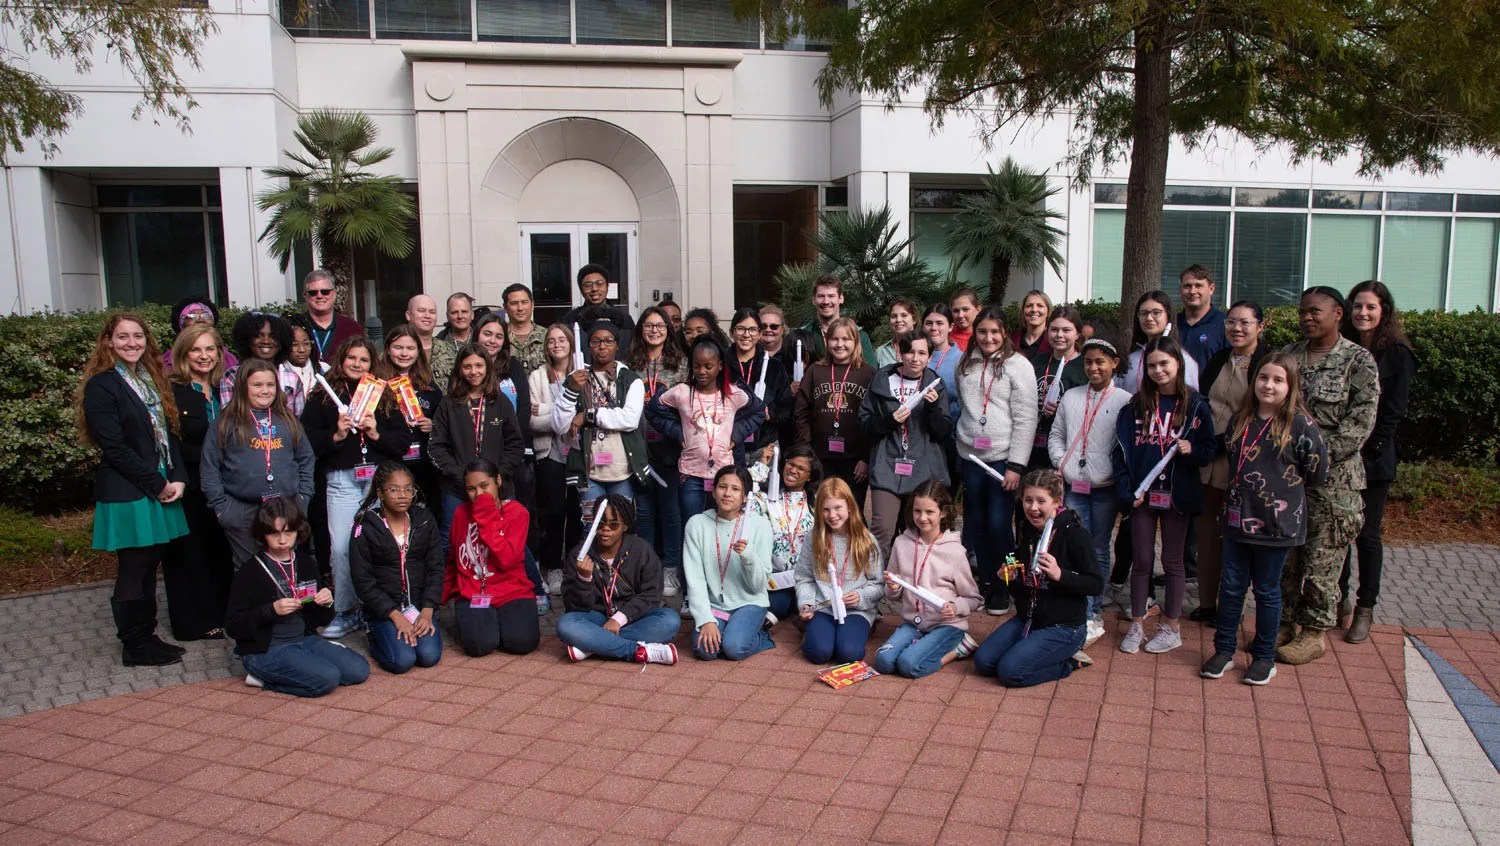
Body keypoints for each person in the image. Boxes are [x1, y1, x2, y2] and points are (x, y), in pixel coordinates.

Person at [1201, 354, 1328, 686]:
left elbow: (1317, 472)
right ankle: (1224, 650)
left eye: (1277, 380)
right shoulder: (1241, 420)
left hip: (1277, 526)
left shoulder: (1302, 426)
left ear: (1291, 386)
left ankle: (1264, 657)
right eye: (1263, 378)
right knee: (1230, 588)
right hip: (1237, 521)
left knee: (1267, 591)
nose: (1268, 385)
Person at [78, 313, 191, 667]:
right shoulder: (102, 385)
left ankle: (148, 636)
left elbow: (170, 434)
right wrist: (156, 484)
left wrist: (177, 476)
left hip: (159, 482)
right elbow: (113, 447)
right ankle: (133, 644)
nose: (131, 343)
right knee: (134, 566)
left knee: (151, 563)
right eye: (123, 336)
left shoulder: (151, 380)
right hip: (130, 487)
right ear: (108, 341)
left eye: (138, 336)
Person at [1276, 287, 1380, 665]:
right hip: (1286, 478)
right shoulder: (1288, 356)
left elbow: (1360, 423)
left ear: (1339, 313)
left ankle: (1315, 631)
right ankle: (1284, 623)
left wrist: (1313, 458)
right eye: (1303, 312)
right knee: (1286, 557)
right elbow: (1271, 407)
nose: (1307, 318)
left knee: (1322, 562)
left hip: (1333, 483)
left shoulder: (1358, 361)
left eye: (1315, 311)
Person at [301, 336, 410, 640]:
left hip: (378, 481)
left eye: (363, 360)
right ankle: (345, 611)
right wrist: (336, 435)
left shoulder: (383, 394)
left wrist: (375, 433)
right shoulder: (321, 396)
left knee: (381, 545)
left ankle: (381, 607)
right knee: (340, 547)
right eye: (352, 358)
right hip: (341, 481)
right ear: (341, 359)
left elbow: (401, 443)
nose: (357, 364)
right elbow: (307, 443)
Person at [1116, 335, 1214, 655]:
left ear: (1178, 365)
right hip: (1143, 495)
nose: (1158, 371)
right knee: (1142, 560)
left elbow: (1209, 450)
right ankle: (1136, 624)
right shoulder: (1137, 405)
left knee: (1173, 561)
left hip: (1176, 496)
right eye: (1152, 365)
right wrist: (1127, 490)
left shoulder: (1196, 404)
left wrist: (1192, 449)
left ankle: (1171, 627)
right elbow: (1123, 451)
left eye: (1164, 364)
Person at [224, 497, 370, 696]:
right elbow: (233, 626)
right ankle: (262, 678)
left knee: (358, 670)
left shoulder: (305, 563)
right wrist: (271, 610)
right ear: (263, 534)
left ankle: (306, 665)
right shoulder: (250, 572)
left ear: (297, 531)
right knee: (327, 679)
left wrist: (327, 603)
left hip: (304, 638)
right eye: (274, 534)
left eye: (288, 533)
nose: (283, 540)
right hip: (266, 649)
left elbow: (320, 620)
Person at [973, 470, 1103, 687]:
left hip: (1064, 626)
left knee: (1010, 672)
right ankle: (1033, 650)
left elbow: (1096, 584)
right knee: (984, 663)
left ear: (1057, 501)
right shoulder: (1028, 531)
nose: (1033, 508)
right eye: (1028, 500)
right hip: (1029, 619)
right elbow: (1023, 588)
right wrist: (1010, 578)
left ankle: (1068, 663)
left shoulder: (1074, 534)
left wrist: (1060, 575)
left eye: (1041, 501)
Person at [1338, 281, 1415, 644]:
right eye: (1357, 306)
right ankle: (1337, 600)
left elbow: (1393, 412)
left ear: (1384, 310)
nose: (1362, 313)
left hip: (1373, 460)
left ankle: (1364, 606)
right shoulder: (1343, 349)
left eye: (1370, 307)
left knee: (1366, 536)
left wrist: (1364, 451)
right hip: (1338, 457)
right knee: (1336, 531)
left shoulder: (1397, 353)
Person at [1048, 336, 1132, 644]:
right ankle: (1076, 602)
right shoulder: (1071, 396)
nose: (1094, 367)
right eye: (1088, 362)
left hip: (1105, 487)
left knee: (1098, 546)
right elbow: (1056, 434)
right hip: (1074, 484)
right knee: (1073, 542)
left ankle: (1093, 606)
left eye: (1100, 361)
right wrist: (1062, 461)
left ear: (1114, 364)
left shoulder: (1124, 400)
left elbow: (1125, 445)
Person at [954, 308, 1038, 616]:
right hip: (972, 456)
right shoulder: (966, 364)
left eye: (994, 332)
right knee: (976, 525)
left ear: (1004, 333)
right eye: (982, 332)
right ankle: (988, 583)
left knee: (1000, 526)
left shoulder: (1019, 366)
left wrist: (1017, 464)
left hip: (1004, 459)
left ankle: (1009, 582)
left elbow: (1027, 417)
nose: (988, 338)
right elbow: (965, 405)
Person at [1191, 301, 1269, 626]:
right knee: (1206, 534)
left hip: (1241, 461)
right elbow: (1202, 403)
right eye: (1231, 322)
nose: (1236, 328)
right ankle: (1208, 602)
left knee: (1235, 537)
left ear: (1260, 326)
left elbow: (1261, 413)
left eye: (1245, 323)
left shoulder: (1267, 363)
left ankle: (1231, 607)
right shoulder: (1219, 359)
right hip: (1208, 461)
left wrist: (1222, 444)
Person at [202, 358, 316, 563]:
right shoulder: (226, 421)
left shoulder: (287, 419)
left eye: (270, 385)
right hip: (242, 509)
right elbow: (210, 465)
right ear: (243, 387)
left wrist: (303, 498)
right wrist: (222, 508)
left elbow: (306, 458)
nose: (265, 390)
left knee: (287, 566)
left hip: (285, 508)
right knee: (249, 570)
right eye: (257, 385)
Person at [164, 322, 233, 641]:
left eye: (210, 349)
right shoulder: (173, 392)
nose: (203, 356)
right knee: (189, 554)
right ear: (183, 354)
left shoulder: (226, 388)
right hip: (189, 484)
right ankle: (193, 623)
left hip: (225, 484)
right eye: (196, 350)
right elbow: (172, 443)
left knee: (220, 550)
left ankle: (222, 614)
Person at [647, 336, 765, 520]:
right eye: (696, 366)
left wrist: (737, 435)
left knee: (721, 523)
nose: (701, 371)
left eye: (708, 366)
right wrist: (676, 432)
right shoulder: (682, 392)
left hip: (724, 473)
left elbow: (759, 411)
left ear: (719, 366)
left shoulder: (733, 393)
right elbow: (653, 410)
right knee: (692, 524)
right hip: (690, 473)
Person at [875, 481, 984, 678]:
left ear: (942, 513)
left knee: (908, 666)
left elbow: (974, 599)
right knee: (883, 661)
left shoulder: (955, 551)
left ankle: (958, 649)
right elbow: (892, 594)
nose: (922, 518)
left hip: (947, 624)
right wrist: (892, 586)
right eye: (917, 511)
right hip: (913, 623)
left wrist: (955, 606)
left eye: (929, 512)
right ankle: (921, 644)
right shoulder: (901, 544)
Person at [557, 494, 681, 664]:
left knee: (670, 620)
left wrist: (618, 619)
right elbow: (573, 606)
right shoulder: (580, 554)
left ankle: (593, 645)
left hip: (631, 619)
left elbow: (651, 596)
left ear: (625, 526)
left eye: (613, 525)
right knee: (566, 624)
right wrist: (583, 579)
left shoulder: (642, 550)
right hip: (597, 617)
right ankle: (635, 651)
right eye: (599, 524)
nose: (605, 529)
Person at [862, 330, 952, 553]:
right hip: (887, 465)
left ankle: (914, 580)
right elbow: (864, 423)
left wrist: (932, 409)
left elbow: (943, 432)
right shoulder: (881, 380)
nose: (915, 358)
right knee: (882, 528)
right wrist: (888, 420)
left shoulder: (934, 384)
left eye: (922, 353)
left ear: (929, 357)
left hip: (923, 467)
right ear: (899, 352)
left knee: (917, 531)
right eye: (910, 351)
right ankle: (876, 583)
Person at [349, 462, 445, 674]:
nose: (402, 495)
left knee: (428, 656)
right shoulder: (364, 526)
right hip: (385, 611)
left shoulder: (424, 520)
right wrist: (394, 615)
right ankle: (375, 634)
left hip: (419, 606)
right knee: (402, 661)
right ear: (381, 493)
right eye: (394, 489)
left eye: (408, 489)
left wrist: (428, 610)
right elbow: (363, 580)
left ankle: (416, 625)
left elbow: (436, 567)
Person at [429, 344, 527, 539]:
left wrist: (498, 475)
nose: (473, 372)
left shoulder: (500, 401)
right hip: (457, 487)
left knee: (505, 537)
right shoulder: (448, 404)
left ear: (487, 368)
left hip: (498, 486)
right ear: (459, 369)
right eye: (467, 366)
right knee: (451, 538)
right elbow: (435, 446)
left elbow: (515, 443)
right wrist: (459, 475)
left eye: (479, 366)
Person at [445, 459, 540, 656]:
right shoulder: (460, 513)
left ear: (497, 481)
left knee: (521, 643)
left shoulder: (517, 512)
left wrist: (485, 514)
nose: (478, 494)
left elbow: (507, 559)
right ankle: (485, 621)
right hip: (474, 590)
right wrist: (439, 597)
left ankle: (499, 621)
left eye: (484, 486)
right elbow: (454, 558)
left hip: (511, 589)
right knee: (480, 645)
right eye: (471, 489)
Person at [682, 465, 775, 661]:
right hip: (714, 603)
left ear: (744, 497)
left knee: (733, 648)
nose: (727, 493)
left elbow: (758, 586)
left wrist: (748, 556)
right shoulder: (697, 524)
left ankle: (762, 634)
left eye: (735, 489)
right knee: (705, 652)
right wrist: (705, 619)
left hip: (749, 602)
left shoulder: (760, 526)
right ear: (714, 491)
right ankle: (731, 629)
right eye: (722, 487)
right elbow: (695, 578)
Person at [553, 319, 651, 505]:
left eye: (608, 341)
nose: (602, 346)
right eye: (596, 342)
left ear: (617, 346)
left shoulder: (630, 380)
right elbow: (559, 426)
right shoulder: (576, 379)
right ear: (589, 347)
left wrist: (589, 415)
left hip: (622, 470)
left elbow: (629, 419)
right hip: (589, 471)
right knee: (591, 527)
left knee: (619, 525)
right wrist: (571, 390)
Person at [628, 307, 688, 595]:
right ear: (641, 329)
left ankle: (669, 569)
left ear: (668, 329)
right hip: (637, 443)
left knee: (670, 510)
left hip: (669, 444)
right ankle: (646, 568)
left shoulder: (681, 364)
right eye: (649, 325)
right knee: (643, 511)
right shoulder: (629, 364)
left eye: (660, 325)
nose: (654, 330)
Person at [795, 477, 883, 664]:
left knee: (849, 654)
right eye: (826, 510)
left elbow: (878, 584)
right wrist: (806, 603)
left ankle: (865, 627)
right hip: (823, 607)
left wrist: (861, 596)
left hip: (855, 609)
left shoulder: (866, 540)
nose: (832, 515)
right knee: (819, 653)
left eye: (838, 508)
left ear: (850, 507)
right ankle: (812, 631)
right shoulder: (814, 537)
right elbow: (804, 578)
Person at [794, 318, 874, 506]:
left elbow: (873, 420)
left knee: (852, 511)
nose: (840, 344)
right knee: (820, 508)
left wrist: (866, 458)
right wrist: (807, 451)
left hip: (855, 461)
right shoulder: (815, 371)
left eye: (846, 339)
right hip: (820, 457)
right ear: (827, 341)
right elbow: (801, 412)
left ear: (855, 342)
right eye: (834, 339)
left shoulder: (868, 374)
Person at [530, 324, 582, 597]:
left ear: (571, 343)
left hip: (578, 452)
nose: (556, 345)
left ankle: (572, 563)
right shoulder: (538, 376)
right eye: (551, 341)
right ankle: (552, 567)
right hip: (549, 451)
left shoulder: (582, 372)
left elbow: (588, 410)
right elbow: (531, 418)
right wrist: (563, 413)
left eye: (562, 339)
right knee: (553, 512)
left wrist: (549, 408)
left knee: (576, 511)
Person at [749, 446, 820, 627]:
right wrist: (763, 465)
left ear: (810, 476)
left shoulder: (816, 505)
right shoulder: (768, 501)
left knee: (812, 605)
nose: (793, 470)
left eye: (801, 468)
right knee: (776, 605)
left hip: (807, 580)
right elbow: (745, 496)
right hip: (776, 580)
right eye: (791, 463)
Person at [378, 324, 442, 511]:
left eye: (410, 348)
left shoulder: (428, 384)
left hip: (424, 464)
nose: (404, 353)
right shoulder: (378, 383)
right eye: (398, 347)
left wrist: (433, 424)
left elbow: (443, 419)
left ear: (418, 352)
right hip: (392, 462)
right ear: (388, 350)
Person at [1029, 305, 1088, 469]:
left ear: (1077, 334)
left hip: (1066, 444)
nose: (1059, 335)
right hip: (1033, 443)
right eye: (1054, 330)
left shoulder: (1084, 366)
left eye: (1066, 330)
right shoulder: (1037, 361)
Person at [727, 307, 792, 455]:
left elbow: (786, 409)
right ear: (732, 333)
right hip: (727, 445)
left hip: (764, 446)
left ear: (759, 334)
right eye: (741, 329)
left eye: (752, 330)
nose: (746, 334)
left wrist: (771, 415)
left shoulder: (774, 367)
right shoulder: (721, 365)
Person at [220, 311, 305, 415]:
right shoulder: (233, 376)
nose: (266, 341)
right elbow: (228, 417)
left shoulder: (292, 379)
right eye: (259, 335)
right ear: (248, 340)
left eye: (273, 336)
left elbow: (298, 422)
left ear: (282, 342)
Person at [1122, 291, 1200, 391]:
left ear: (1168, 315)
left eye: (1156, 313)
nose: (1149, 318)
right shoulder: (1131, 360)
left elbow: (1190, 401)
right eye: (1144, 313)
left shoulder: (1184, 360)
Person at [560, 264, 635, 358]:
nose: (594, 289)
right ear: (581, 289)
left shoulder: (624, 319)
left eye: (599, 284)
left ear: (607, 286)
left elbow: (632, 350)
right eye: (588, 285)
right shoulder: (571, 319)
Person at [800, 274, 877, 364]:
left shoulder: (859, 335)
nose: (826, 301)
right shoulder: (804, 334)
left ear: (841, 298)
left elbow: (871, 374)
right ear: (813, 300)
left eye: (831, 296)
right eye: (821, 296)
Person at [300, 269, 364, 362]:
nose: (319, 296)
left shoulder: (352, 328)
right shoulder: (295, 326)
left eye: (325, 292)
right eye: (313, 292)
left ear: (334, 294)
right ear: (305, 296)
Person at [163, 295, 237, 372]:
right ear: (181, 323)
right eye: (192, 316)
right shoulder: (169, 362)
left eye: (206, 315)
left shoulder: (228, 360)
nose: (200, 319)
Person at [1176, 264, 1228, 371]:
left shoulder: (1225, 324)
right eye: (1187, 286)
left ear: (1211, 289)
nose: (1192, 291)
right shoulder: (1172, 323)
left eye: (1198, 286)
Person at [922, 304, 963, 421]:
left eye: (939, 323)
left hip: (948, 428)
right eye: (929, 323)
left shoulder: (961, 360)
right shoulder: (912, 355)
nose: (933, 328)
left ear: (951, 327)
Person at [502, 284, 547, 373]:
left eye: (524, 302)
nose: (520, 308)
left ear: (532, 305)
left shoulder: (547, 336)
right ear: (505, 308)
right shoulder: (498, 337)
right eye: (514, 303)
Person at [283, 313, 327, 403]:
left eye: (306, 343)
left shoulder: (324, 369)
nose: (301, 349)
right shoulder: (279, 372)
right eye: (294, 344)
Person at [874, 298, 920, 367]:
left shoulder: (925, 349)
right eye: (894, 316)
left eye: (904, 315)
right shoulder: (881, 352)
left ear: (914, 319)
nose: (898, 320)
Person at [1012, 290, 1054, 358]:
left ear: (1048, 311)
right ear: (1023, 311)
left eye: (1040, 306)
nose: (1034, 310)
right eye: (1029, 306)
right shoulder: (1012, 340)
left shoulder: (1053, 341)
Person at [948, 288, 980, 352]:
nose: (960, 315)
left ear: (978, 310)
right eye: (956, 311)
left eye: (965, 309)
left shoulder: (984, 337)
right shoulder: (945, 333)